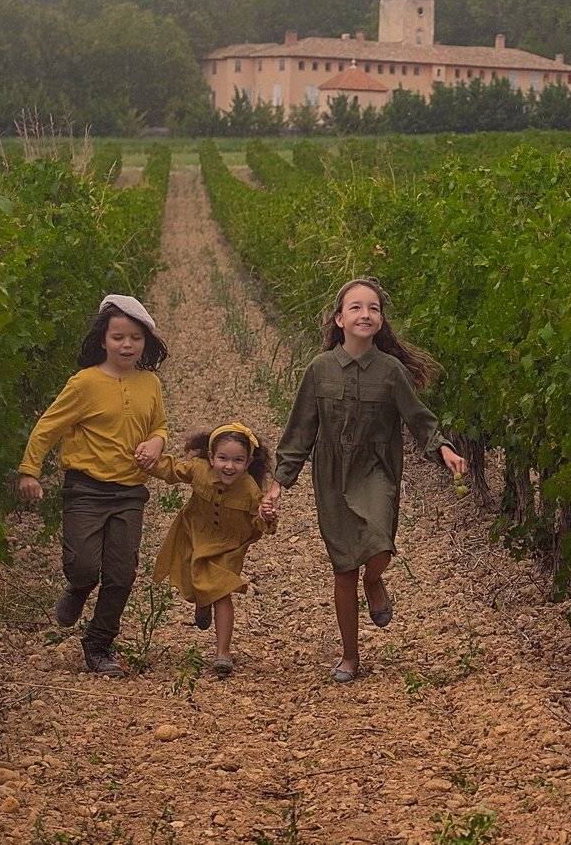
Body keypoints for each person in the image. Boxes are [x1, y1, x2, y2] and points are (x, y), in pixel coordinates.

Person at [262, 277, 466, 683]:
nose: (365, 314)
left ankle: (374, 581)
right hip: (332, 476)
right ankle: (350, 657)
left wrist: (442, 447)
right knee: (343, 569)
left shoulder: (391, 371)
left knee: (379, 543)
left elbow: (417, 417)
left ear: (381, 321)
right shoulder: (319, 370)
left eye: (373, 308)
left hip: (376, 469)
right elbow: (300, 431)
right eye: (355, 307)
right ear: (339, 319)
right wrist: (279, 483)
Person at [18, 294, 169, 678]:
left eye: (135, 338)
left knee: (122, 574)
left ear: (146, 342)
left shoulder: (150, 383)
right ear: (103, 339)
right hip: (85, 489)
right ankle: (78, 586)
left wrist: (156, 443)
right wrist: (29, 471)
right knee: (83, 565)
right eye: (118, 337)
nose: (127, 345)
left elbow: (159, 426)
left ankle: (99, 644)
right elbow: (48, 426)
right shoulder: (84, 383)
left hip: (129, 492)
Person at [149, 423, 272, 677]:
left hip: (228, 548)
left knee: (221, 592)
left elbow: (262, 523)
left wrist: (267, 516)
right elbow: (173, 469)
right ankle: (201, 600)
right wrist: (148, 462)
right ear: (211, 457)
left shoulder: (250, 489)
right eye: (223, 458)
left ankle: (222, 653)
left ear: (248, 462)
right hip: (195, 535)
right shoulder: (199, 469)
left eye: (238, 460)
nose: (229, 466)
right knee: (194, 579)